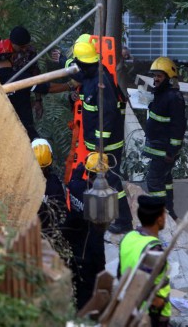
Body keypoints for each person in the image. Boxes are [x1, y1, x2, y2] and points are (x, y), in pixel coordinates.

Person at [69, 34, 133, 234]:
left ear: (84, 62)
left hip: (106, 145)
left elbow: (108, 115)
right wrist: (63, 61)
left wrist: (99, 143)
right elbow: (75, 71)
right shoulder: (90, 74)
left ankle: (124, 221)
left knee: (112, 181)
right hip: (94, 143)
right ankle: (99, 217)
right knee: (94, 179)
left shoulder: (101, 82)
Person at [143, 57, 186, 220]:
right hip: (159, 148)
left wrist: (172, 150)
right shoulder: (163, 94)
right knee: (165, 180)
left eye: (159, 76)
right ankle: (169, 213)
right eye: (154, 76)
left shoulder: (173, 97)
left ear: (168, 77)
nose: (155, 79)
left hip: (164, 150)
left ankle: (161, 217)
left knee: (154, 181)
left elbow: (178, 127)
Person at [118, 195, 170, 327]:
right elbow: (146, 292)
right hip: (148, 317)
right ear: (159, 220)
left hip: (128, 309)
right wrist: (161, 303)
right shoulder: (154, 250)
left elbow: (120, 274)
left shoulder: (128, 237)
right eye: (164, 214)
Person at [65, 162, 106, 311]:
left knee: (75, 290)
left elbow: (73, 180)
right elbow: (96, 240)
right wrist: (101, 266)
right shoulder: (98, 201)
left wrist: (80, 168)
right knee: (86, 298)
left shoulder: (76, 186)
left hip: (72, 248)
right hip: (87, 256)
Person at [0, 38, 39, 140]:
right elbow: (47, 87)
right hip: (26, 133)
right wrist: (70, 84)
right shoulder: (23, 78)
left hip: (0, 136)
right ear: (13, 57)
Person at [9, 26, 46, 119]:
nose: (25, 49)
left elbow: (35, 75)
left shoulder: (30, 52)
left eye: (26, 45)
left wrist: (38, 100)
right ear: (12, 43)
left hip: (23, 99)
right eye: (21, 47)